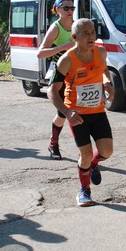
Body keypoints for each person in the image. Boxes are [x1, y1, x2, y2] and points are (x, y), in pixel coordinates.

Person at [47, 18, 115, 207]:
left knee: (107, 151)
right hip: (77, 114)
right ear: (75, 37)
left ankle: (93, 165)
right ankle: (84, 191)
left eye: (92, 32)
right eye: (85, 33)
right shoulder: (67, 60)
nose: (90, 36)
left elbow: (103, 71)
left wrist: (107, 83)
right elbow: (51, 91)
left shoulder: (100, 52)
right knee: (84, 155)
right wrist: (67, 113)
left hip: (98, 111)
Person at [37, 0, 75, 159]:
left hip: (75, 75)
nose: (69, 11)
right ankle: (53, 143)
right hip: (59, 74)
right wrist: (63, 47)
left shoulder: (75, 26)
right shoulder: (56, 28)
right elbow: (40, 53)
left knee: (81, 110)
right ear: (57, 9)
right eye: (66, 8)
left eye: (72, 8)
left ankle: (84, 147)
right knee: (62, 113)